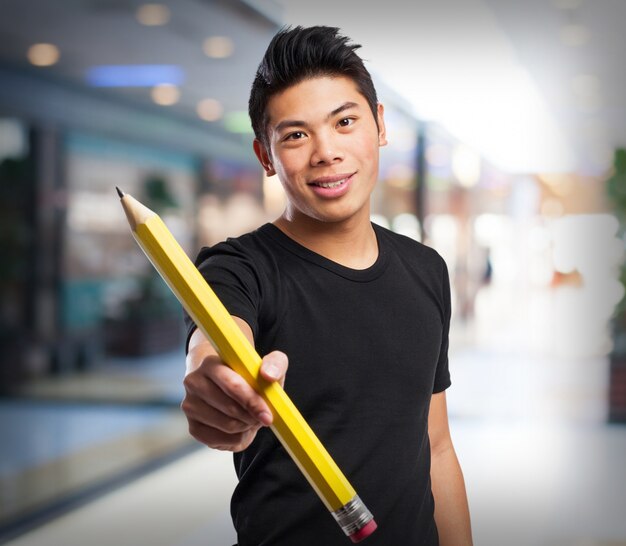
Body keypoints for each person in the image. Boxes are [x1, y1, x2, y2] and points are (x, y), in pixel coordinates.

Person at [182, 25, 472, 546]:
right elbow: (218, 342)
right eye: (295, 135)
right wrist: (216, 384)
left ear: (379, 125)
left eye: (344, 122)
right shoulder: (236, 268)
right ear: (266, 156)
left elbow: (437, 445)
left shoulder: (427, 269)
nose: (326, 152)